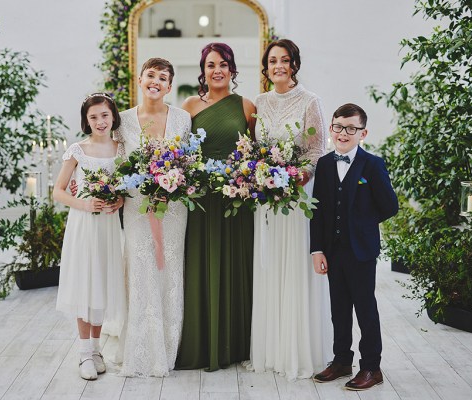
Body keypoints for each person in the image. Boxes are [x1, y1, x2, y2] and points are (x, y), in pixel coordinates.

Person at [244, 39, 332, 381]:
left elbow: (317, 150)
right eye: (272, 61)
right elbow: (254, 148)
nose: (278, 65)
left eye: (284, 60)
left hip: (295, 198)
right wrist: (260, 177)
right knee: (268, 267)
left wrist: (295, 178)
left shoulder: (311, 101)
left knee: (294, 267)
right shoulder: (261, 103)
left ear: (294, 64)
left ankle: (296, 350)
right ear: (266, 67)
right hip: (266, 199)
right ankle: (270, 350)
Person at [175, 42, 256, 371]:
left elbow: (256, 152)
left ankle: (238, 344)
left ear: (233, 70)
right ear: (203, 70)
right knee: (199, 267)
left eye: (223, 64)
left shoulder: (247, 106)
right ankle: (201, 344)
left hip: (237, 201)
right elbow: (179, 153)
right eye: (211, 65)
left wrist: (245, 180)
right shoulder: (189, 106)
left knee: (238, 266)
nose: (217, 70)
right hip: (201, 201)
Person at [311, 103, 398, 390]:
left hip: (361, 250)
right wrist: (317, 249)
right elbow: (319, 210)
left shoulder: (372, 164)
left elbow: (389, 206)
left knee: (365, 309)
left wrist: (361, 222)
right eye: (339, 127)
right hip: (333, 250)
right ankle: (341, 361)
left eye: (351, 128)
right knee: (339, 309)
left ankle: (372, 368)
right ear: (331, 129)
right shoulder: (324, 164)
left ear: (363, 132)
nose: (344, 133)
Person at [114, 58, 192, 377]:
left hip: (173, 209)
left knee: (170, 270)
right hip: (136, 208)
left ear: (170, 86)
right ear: (140, 79)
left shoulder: (183, 119)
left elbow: (187, 163)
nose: (156, 81)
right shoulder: (123, 120)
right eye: (151, 75)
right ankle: (141, 348)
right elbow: (119, 164)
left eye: (163, 77)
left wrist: (173, 181)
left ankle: (169, 346)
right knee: (142, 267)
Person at [54, 93, 126, 381]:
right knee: (85, 283)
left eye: (104, 115)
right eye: (93, 117)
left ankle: (96, 350)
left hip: (108, 226)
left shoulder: (121, 150)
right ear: (86, 120)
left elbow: (125, 187)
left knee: (102, 283)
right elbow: (58, 191)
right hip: (84, 224)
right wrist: (85, 204)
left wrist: (120, 200)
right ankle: (84, 352)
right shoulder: (77, 150)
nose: (100, 121)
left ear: (113, 117)